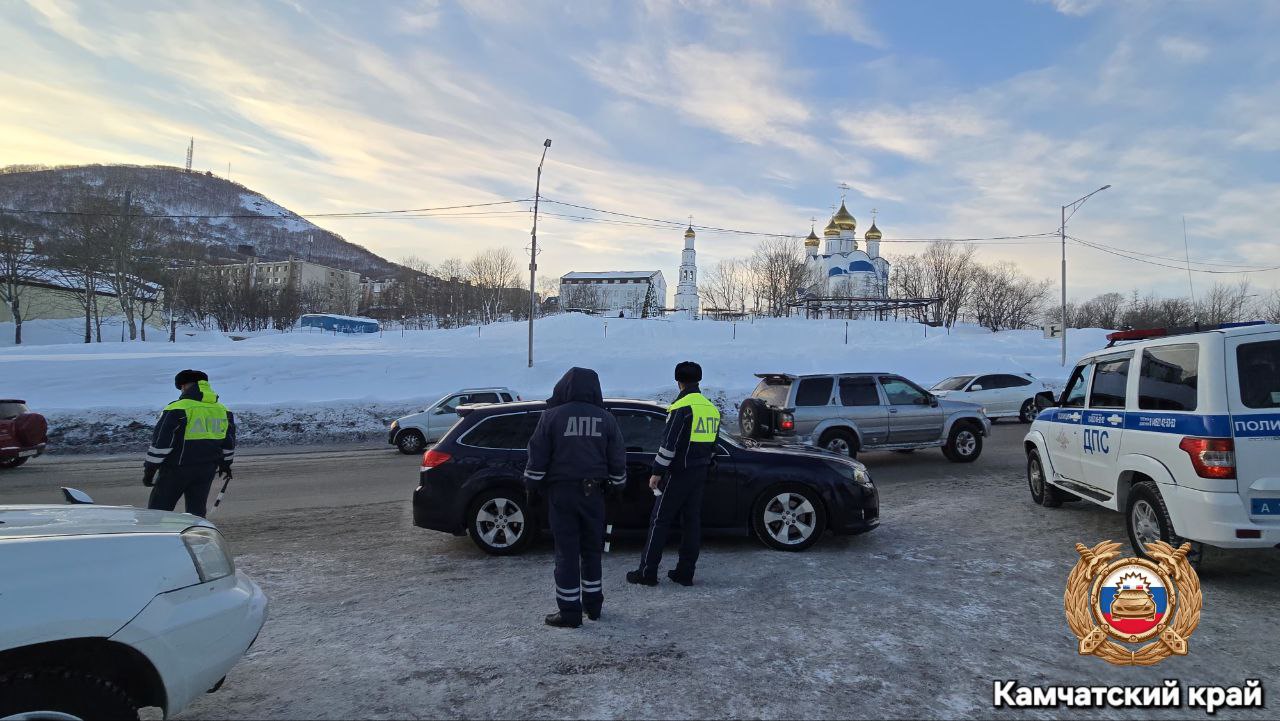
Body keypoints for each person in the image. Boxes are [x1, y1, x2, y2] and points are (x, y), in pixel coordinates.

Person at [524, 367, 626, 628]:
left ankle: (569, 612)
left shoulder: (551, 417)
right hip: (594, 494)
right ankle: (594, 606)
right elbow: (617, 456)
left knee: (566, 552)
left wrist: (531, 486)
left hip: (562, 494)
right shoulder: (606, 418)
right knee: (593, 550)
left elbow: (537, 455)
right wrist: (617, 486)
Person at [628, 361, 720, 587]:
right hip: (699, 473)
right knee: (691, 523)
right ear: (698, 380)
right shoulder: (710, 408)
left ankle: (647, 573)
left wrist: (657, 472)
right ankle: (685, 573)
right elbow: (713, 446)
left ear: (678, 381)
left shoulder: (682, 407)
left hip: (679, 473)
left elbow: (669, 444)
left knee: (660, 520)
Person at [143, 370, 236, 517]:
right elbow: (228, 442)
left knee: (158, 513)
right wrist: (226, 464)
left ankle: (157, 538)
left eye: (181, 387)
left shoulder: (177, 408)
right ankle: (198, 537)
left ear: (184, 386)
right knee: (197, 512)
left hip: (176, 469)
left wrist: (150, 469)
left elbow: (162, 443)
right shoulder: (223, 410)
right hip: (207, 470)